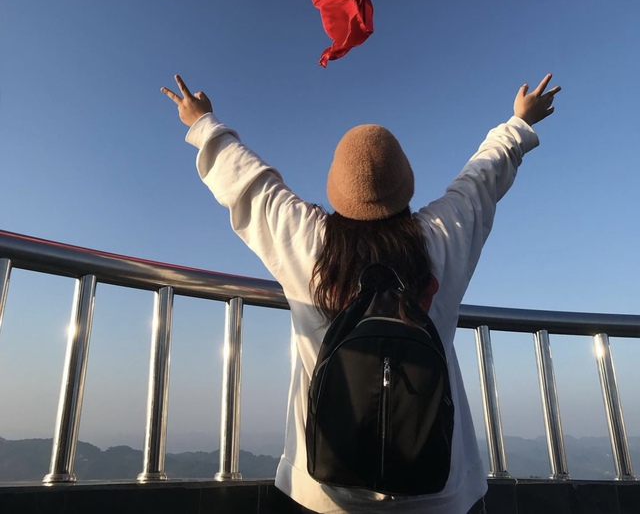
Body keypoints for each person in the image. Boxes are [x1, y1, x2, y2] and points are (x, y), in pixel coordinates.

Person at [162, 73, 561, 514]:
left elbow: (251, 184)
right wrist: (519, 124)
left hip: (324, 491)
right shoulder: (441, 237)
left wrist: (202, 123)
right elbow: (481, 179)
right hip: (439, 489)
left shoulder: (309, 241)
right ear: (406, 181)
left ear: (337, 188)